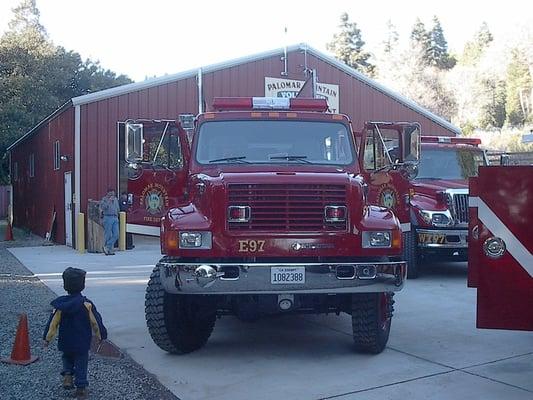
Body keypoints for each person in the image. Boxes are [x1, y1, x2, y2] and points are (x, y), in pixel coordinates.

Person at [43, 267, 107, 400]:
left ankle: (67, 375)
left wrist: (47, 338)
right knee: (81, 363)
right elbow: (96, 321)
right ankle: (81, 389)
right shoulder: (86, 304)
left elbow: (52, 323)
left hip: (65, 341)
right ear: (83, 285)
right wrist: (101, 335)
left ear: (65, 285)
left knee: (66, 357)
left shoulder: (60, 305)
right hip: (81, 342)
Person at [100, 188, 119, 255]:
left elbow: (117, 208)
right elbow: (103, 207)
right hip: (108, 217)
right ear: (107, 193)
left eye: (113, 193)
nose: (112, 194)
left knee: (116, 234)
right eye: (110, 193)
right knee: (108, 234)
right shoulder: (104, 199)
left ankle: (107, 247)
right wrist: (109, 201)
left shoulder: (115, 199)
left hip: (115, 217)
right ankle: (109, 250)